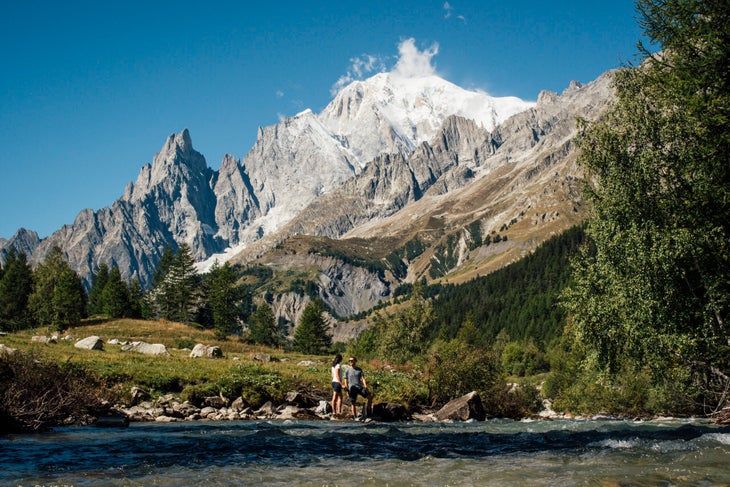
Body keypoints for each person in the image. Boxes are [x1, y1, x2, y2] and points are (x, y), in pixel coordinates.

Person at [344, 356, 373, 420]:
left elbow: (363, 378)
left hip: (359, 387)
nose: (351, 362)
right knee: (353, 402)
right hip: (352, 388)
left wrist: (366, 386)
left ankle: (369, 413)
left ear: (355, 361)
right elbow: (345, 379)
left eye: (352, 360)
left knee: (369, 397)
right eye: (350, 361)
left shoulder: (359, 369)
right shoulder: (347, 370)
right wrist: (346, 389)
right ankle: (354, 416)